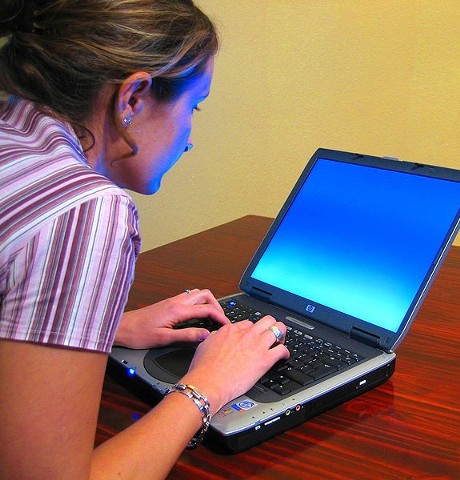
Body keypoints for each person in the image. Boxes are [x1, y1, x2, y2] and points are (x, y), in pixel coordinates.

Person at [0, 1, 289, 478]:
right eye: (193, 106)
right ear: (132, 97)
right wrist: (209, 384)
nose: (191, 138)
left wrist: (103, 326)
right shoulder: (85, 211)